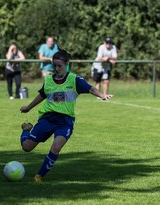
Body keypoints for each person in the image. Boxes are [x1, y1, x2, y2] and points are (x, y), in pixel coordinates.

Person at [19, 49, 112, 183]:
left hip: (65, 121)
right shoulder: (49, 80)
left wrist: (102, 95)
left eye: (59, 66)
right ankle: (26, 130)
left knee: (56, 147)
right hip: (47, 118)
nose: (56, 68)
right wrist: (28, 107)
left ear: (66, 64)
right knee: (27, 147)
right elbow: (42, 95)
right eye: (54, 65)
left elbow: (91, 88)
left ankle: (39, 176)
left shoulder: (74, 80)